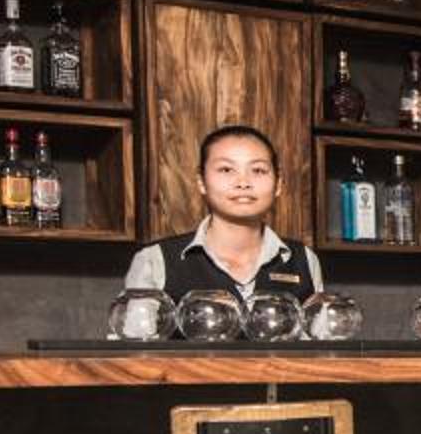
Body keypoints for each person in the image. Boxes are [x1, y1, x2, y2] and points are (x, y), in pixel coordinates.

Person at [122, 123, 322, 303]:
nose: (243, 182)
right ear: (201, 181)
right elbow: (136, 333)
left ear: (278, 184)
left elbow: (322, 333)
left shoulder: (304, 260)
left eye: (258, 170)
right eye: (226, 170)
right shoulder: (155, 261)